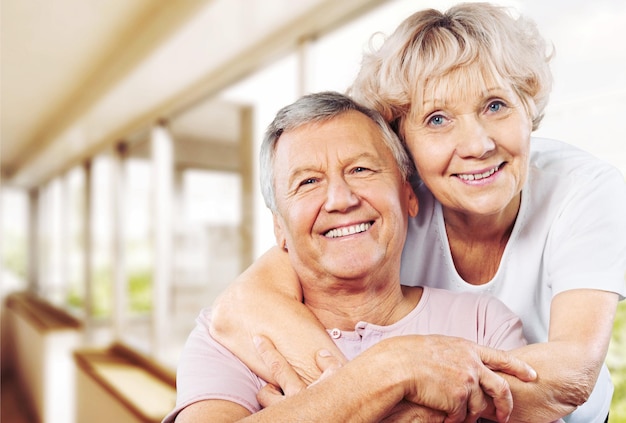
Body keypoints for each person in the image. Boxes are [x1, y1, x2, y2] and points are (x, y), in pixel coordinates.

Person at [210, 3, 626, 423]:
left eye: (496, 106)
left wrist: (360, 404)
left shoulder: (586, 190)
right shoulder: (384, 204)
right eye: (438, 119)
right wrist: (372, 385)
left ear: (528, 109)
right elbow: (242, 306)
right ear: (401, 140)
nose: (477, 144)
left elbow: (573, 372)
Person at [163, 92, 542, 423]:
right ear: (279, 227)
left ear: (409, 196)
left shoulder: (483, 323)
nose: (340, 200)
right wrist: (390, 370)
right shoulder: (230, 338)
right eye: (308, 182)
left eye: (360, 170)